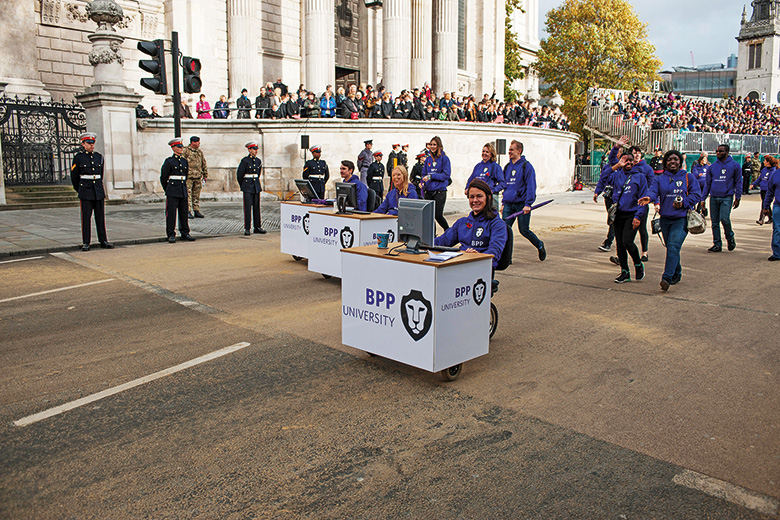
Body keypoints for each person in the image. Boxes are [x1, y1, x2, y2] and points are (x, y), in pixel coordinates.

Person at [638, 150, 701, 291]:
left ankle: (666, 278)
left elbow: (697, 195)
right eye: (669, 160)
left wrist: (684, 202)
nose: (673, 162)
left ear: (680, 161)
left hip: (681, 220)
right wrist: (649, 198)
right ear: (665, 163)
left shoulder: (688, 177)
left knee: (673, 246)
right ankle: (677, 273)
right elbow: (653, 191)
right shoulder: (659, 178)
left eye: (675, 159)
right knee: (672, 247)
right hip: (665, 219)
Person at [434, 179, 508, 269]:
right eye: (471, 197)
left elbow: (494, 253)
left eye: (479, 196)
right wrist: (420, 242)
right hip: (460, 266)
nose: (475, 200)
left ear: (488, 197)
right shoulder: (462, 223)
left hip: (481, 269)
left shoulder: (497, 224)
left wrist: (477, 257)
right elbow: (441, 242)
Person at [605, 153, 648, 283]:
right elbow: (604, 176)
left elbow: (642, 198)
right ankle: (624, 272)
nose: (628, 162)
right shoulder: (617, 175)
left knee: (627, 241)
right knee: (619, 245)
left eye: (630, 160)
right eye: (625, 160)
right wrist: (617, 165)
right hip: (619, 214)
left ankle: (638, 264)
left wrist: (638, 216)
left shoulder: (640, 177)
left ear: (634, 162)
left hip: (633, 214)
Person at [502, 140, 546, 261]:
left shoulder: (526, 166)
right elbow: (505, 185)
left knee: (524, 230)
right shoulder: (507, 167)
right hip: (508, 204)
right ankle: (507, 258)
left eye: (512, 149)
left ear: (519, 151)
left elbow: (531, 186)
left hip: (522, 205)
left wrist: (528, 204)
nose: (509, 152)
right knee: (504, 230)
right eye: (509, 149)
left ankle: (540, 245)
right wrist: (503, 202)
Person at [70, 132, 113, 251]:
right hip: (86, 190)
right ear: (83, 144)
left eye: (92, 143)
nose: (91, 145)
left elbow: (101, 174)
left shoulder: (99, 157)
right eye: (88, 143)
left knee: (100, 217)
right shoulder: (78, 158)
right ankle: (86, 242)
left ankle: (103, 240)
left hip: (98, 190)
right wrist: (80, 190)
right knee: (86, 218)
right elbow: (74, 177)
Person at [702, 144, 742, 252]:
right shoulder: (712, 167)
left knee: (724, 219)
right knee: (714, 222)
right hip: (714, 196)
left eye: (721, 151)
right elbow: (707, 184)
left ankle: (730, 237)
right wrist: (703, 198)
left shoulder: (735, 165)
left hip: (727, 197)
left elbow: (738, 182)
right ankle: (717, 244)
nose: (718, 153)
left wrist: (738, 197)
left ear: (727, 152)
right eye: (717, 151)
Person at [160, 138, 195, 243]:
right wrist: (168, 189)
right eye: (179, 147)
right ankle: (171, 234)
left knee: (184, 213)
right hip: (172, 190)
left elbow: (186, 175)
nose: (181, 149)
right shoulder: (169, 161)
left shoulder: (184, 161)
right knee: (171, 214)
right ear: (173, 148)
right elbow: (163, 178)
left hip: (182, 189)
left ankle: (185, 232)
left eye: (182, 147)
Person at [421, 135, 452, 231]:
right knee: (429, 216)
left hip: (439, 191)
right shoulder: (428, 159)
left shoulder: (444, 159)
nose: (432, 146)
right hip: (429, 191)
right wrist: (422, 181)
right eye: (431, 144)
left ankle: (448, 231)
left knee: (438, 215)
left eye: (434, 144)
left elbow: (446, 175)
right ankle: (431, 235)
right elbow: (424, 173)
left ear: (439, 146)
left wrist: (432, 176)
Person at [237, 141, 266, 235]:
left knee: (257, 207)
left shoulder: (258, 161)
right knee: (247, 208)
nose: (255, 151)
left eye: (256, 149)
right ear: (249, 150)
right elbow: (240, 174)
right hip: (247, 185)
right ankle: (247, 228)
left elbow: (258, 173)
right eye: (253, 149)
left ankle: (257, 226)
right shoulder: (245, 161)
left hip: (256, 186)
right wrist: (243, 185)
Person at [466, 142, 505, 210]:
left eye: (487, 152)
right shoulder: (478, 166)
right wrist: (467, 188)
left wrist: (493, 190)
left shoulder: (495, 167)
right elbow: (471, 180)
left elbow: (502, 183)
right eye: (483, 151)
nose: (484, 153)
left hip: (490, 198)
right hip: (478, 198)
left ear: (491, 154)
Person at [181, 136, 208, 218]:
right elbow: (182, 162)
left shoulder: (199, 152)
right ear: (193, 142)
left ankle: (196, 210)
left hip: (198, 176)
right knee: (188, 195)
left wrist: (205, 175)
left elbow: (203, 163)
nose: (199, 144)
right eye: (197, 142)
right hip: (189, 176)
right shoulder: (186, 151)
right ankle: (188, 211)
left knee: (196, 195)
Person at [752, 155, 777, 225]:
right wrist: (753, 184)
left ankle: (761, 219)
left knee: (764, 203)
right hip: (762, 189)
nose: (763, 162)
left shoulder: (774, 171)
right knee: (766, 203)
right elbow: (760, 179)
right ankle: (771, 217)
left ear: (768, 162)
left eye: (765, 161)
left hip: (768, 190)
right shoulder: (764, 170)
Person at [762, 165, 780, 260]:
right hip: (778, 205)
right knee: (777, 229)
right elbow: (770, 192)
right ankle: (777, 253)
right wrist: (766, 206)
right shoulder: (775, 175)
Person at [691, 152, 709, 217]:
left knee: (703, 197)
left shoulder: (708, 167)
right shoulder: (696, 167)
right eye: (704, 160)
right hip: (698, 184)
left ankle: (701, 209)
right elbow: (694, 173)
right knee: (698, 196)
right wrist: (698, 175)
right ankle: (696, 208)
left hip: (705, 185)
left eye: (706, 160)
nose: (705, 161)